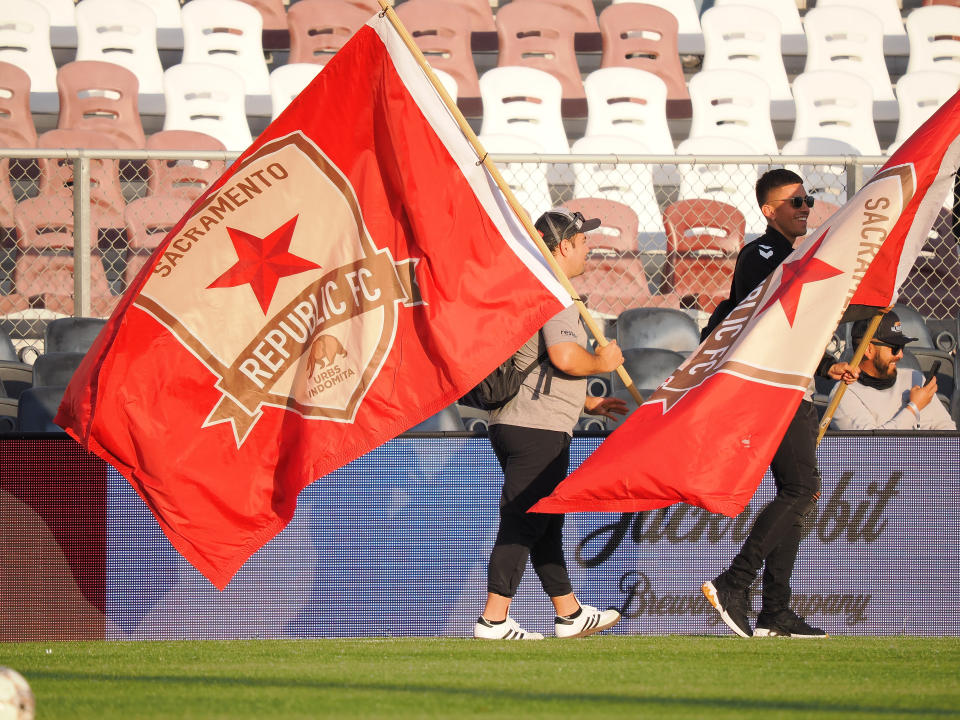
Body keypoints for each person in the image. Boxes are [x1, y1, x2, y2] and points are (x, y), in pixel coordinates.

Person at [701, 169, 859, 639]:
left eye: (807, 199)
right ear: (769, 212)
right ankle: (735, 581)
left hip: (796, 384)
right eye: (795, 202)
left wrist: (826, 366)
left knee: (801, 490)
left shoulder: (798, 255)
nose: (805, 207)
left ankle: (776, 611)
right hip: (770, 386)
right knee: (802, 485)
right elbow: (766, 322)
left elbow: (802, 325)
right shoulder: (761, 255)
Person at [473, 208, 628, 640]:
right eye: (582, 242)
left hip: (520, 422)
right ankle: (493, 619)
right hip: (537, 427)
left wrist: (586, 403)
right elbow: (562, 357)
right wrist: (601, 362)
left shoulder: (535, 286)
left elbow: (541, 365)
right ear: (562, 247)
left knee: (544, 521)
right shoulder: (557, 291)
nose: (588, 248)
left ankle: (569, 613)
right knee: (523, 520)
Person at [830, 311, 956, 430]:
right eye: (895, 348)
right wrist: (913, 408)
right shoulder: (844, 394)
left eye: (902, 347)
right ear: (868, 349)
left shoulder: (914, 378)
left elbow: (948, 431)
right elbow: (872, 447)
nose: (901, 355)